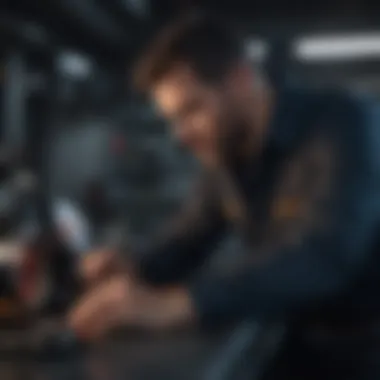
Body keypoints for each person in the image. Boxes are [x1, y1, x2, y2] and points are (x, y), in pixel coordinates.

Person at [68, 14, 380, 379]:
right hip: (293, 340)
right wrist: (131, 269)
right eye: (172, 120)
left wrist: (181, 303)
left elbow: (323, 253)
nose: (180, 136)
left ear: (240, 79)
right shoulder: (227, 157)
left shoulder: (346, 125)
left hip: (362, 352)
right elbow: (187, 237)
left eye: (191, 110)